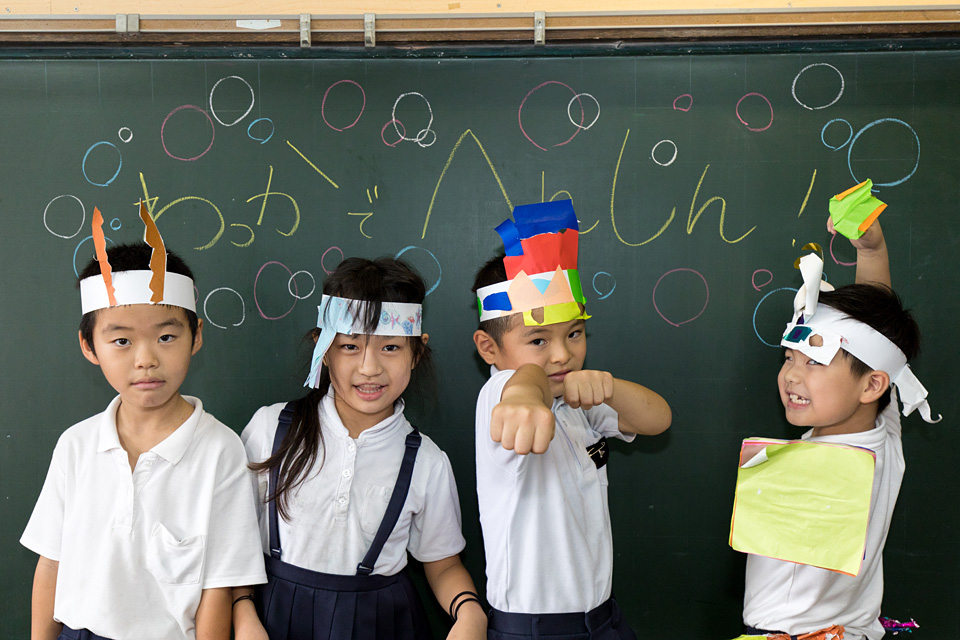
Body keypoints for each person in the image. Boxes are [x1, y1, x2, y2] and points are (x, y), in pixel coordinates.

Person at [21, 207, 266, 640]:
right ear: (89, 346)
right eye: (121, 340)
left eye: (166, 337)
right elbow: (51, 562)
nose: (146, 359)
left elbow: (219, 585)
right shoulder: (76, 445)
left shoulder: (219, 450)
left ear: (196, 336)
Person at [233, 257, 486, 640]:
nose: (369, 368)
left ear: (417, 352)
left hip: (380, 622)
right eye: (350, 346)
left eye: (390, 347)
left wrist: (469, 612)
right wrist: (243, 613)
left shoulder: (427, 462)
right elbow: (234, 539)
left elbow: (443, 564)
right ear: (323, 349)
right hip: (274, 615)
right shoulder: (271, 428)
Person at [470, 200, 672, 640]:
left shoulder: (575, 398)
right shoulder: (498, 397)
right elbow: (523, 385)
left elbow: (658, 419)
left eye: (574, 333)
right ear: (489, 348)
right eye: (538, 340)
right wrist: (524, 394)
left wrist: (609, 387)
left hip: (601, 617)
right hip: (535, 629)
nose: (562, 354)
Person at [735, 217, 940, 640]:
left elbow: (875, 350)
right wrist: (871, 251)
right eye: (789, 357)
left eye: (814, 362)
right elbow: (879, 346)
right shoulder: (884, 435)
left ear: (871, 386)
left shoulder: (820, 464)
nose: (791, 375)